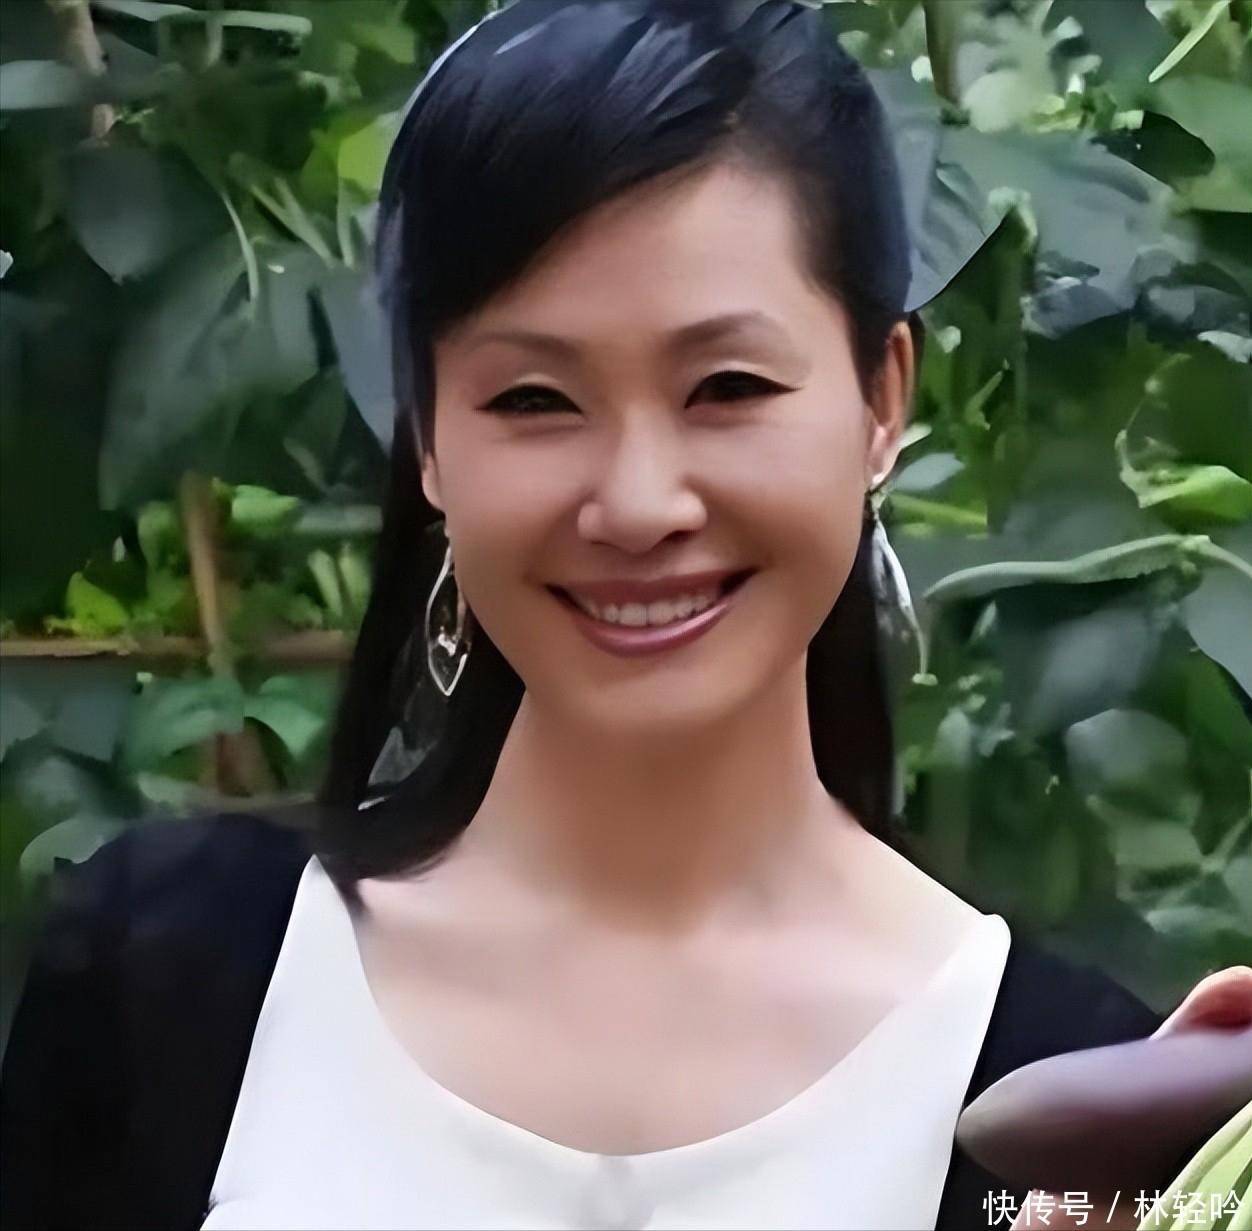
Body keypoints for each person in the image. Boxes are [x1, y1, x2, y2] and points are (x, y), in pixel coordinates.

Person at [1, 2, 1246, 1229]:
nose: (639, 503)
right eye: (535, 399)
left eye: (727, 386)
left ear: (881, 398)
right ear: (425, 434)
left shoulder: (1070, 1113)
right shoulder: (167, 978)